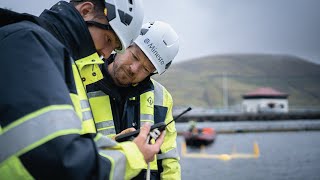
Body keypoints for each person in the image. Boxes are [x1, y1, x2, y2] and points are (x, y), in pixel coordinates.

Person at [0, 0, 166, 179]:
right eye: (108, 39)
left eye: (115, 47)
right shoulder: (30, 43)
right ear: (86, 11)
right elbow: (59, 160)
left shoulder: (53, 54)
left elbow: (56, 142)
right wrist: (134, 155)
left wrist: (112, 145)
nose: (106, 53)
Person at [86, 21, 181, 179]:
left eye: (145, 68)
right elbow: (68, 147)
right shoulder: (83, 81)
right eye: (135, 56)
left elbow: (169, 160)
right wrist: (113, 145)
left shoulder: (161, 97)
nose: (134, 68)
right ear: (124, 44)